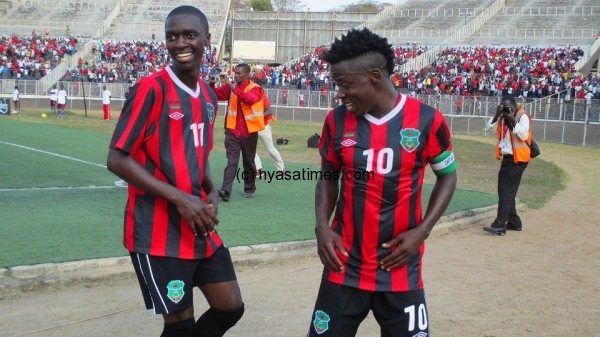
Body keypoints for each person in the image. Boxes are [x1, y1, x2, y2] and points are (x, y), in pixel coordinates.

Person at [309, 28, 457, 337]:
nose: (340, 93)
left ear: (375, 76)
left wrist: (422, 230)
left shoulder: (427, 120)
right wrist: (322, 225)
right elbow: (327, 177)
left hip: (400, 266)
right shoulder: (336, 121)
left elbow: (448, 176)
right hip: (344, 264)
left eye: (346, 84)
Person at [106, 6, 244, 337]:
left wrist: (210, 189)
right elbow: (116, 158)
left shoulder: (209, 97)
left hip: (198, 224)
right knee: (180, 323)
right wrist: (180, 197)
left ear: (207, 41)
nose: (180, 43)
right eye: (172, 37)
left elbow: (198, 154)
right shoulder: (151, 89)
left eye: (189, 35)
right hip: (157, 231)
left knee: (230, 307)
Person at [210, 63, 265, 201]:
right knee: (231, 161)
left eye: (239, 73)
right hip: (232, 131)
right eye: (235, 73)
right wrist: (211, 85)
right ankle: (225, 190)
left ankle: (250, 188)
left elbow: (249, 99)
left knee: (249, 161)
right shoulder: (231, 88)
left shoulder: (255, 88)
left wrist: (232, 87)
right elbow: (214, 95)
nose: (236, 75)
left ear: (247, 74)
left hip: (249, 132)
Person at [483, 95, 532, 236]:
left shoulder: (522, 116)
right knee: (505, 191)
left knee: (506, 192)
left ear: (514, 105)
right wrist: (497, 114)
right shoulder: (502, 117)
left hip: (518, 159)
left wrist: (511, 119)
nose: (505, 108)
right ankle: (514, 222)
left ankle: (500, 224)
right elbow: (488, 127)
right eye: (502, 106)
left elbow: (524, 135)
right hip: (507, 158)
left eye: (506, 106)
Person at [254, 95, 285, 175]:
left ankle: (281, 169)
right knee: (251, 149)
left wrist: (259, 116)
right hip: (252, 128)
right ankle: (258, 169)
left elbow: (270, 110)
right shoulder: (246, 96)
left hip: (264, 127)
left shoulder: (262, 96)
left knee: (271, 150)